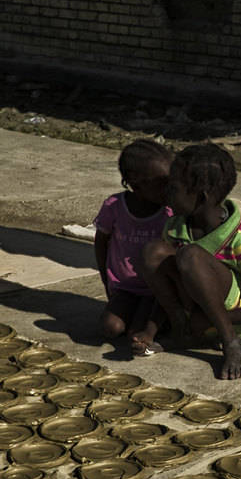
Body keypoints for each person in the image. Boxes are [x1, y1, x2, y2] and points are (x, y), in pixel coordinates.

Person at [137, 144, 241, 380]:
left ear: (201, 196)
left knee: (190, 255)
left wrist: (212, 320)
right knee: (154, 252)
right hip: (195, 317)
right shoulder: (175, 227)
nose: (166, 194)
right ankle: (182, 329)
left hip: (235, 322)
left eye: (173, 189)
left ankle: (229, 342)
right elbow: (166, 285)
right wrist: (150, 330)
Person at [94, 139, 173, 356]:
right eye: (161, 183)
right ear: (136, 184)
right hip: (125, 287)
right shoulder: (114, 206)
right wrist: (106, 281)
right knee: (111, 328)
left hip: (155, 291)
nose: (169, 189)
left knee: (136, 335)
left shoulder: (170, 212)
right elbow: (101, 242)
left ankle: (154, 321)